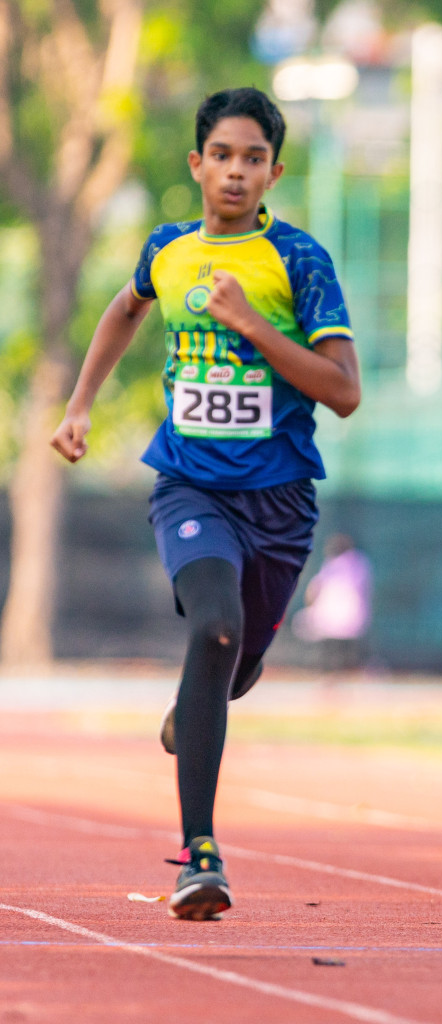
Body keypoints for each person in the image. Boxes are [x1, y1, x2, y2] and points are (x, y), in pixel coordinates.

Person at [50, 88, 360, 919]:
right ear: (197, 164)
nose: (235, 171)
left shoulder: (299, 261)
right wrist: (80, 404)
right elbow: (123, 310)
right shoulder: (169, 250)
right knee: (214, 628)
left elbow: (343, 392)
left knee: (239, 665)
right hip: (190, 486)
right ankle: (200, 854)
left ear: (274, 171)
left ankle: (192, 710)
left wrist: (254, 325)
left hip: (282, 502)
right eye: (221, 154)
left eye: (252, 158)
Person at [294, 533, 372, 673]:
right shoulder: (360, 562)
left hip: (334, 617)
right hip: (349, 618)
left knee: (309, 627)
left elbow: (314, 590)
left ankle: (322, 669)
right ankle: (337, 670)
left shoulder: (334, 564)